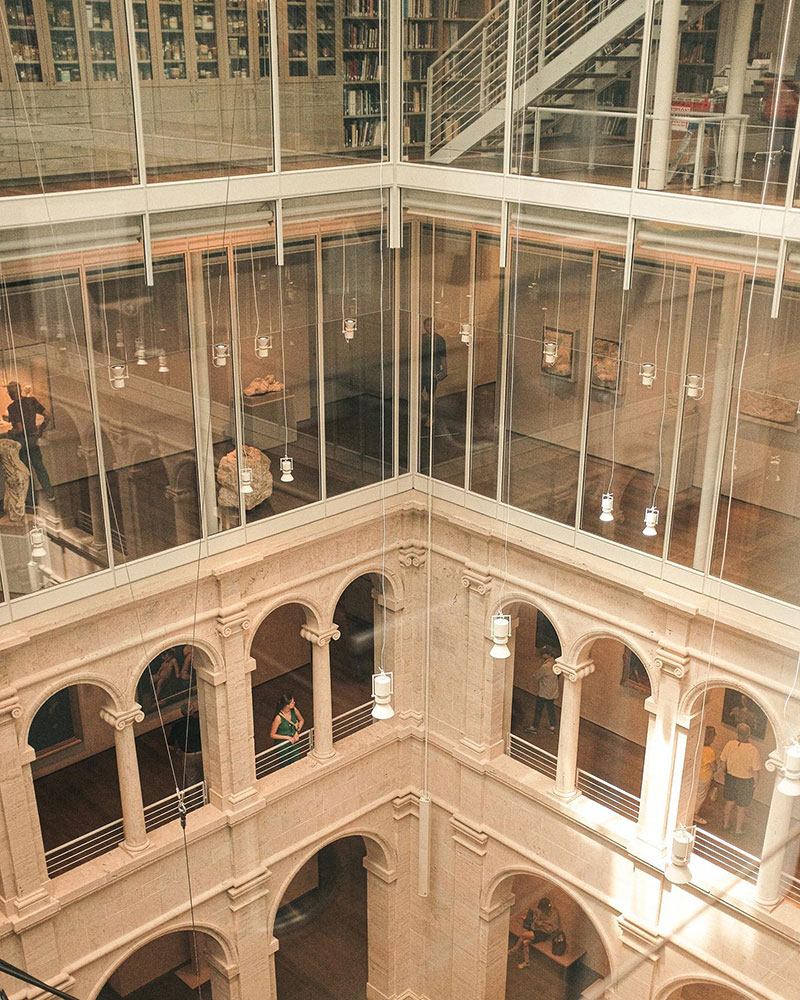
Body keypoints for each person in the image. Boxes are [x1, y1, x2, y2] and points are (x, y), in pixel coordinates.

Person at [4, 382, 55, 506]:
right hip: (33, 439)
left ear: (10, 393)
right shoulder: (31, 401)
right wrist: (40, 430)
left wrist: (10, 433)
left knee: (25, 471)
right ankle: (50, 494)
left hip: (22, 442)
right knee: (39, 467)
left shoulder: (12, 407)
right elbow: (47, 415)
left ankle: (31, 500)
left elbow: (19, 429)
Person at [720, 723, 761, 836]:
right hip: (746, 781)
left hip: (731, 778)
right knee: (741, 807)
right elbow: (756, 771)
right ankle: (738, 830)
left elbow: (723, 763)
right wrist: (756, 783)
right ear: (749, 734)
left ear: (737, 733)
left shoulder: (729, 744)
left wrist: (725, 773)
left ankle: (725, 824)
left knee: (729, 802)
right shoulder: (753, 750)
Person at [508, 897, 562, 969]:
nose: (542, 911)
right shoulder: (544, 911)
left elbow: (553, 928)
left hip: (545, 933)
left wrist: (542, 924)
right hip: (538, 929)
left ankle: (514, 949)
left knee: (524, 935)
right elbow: (538, 919)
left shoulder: (554, 914)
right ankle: (527, 962)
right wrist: (534, 920)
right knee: (525, 942)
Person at [167, 699, 203, 787]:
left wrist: (178, 750)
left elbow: (170, 744)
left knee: (191, 780)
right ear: (192, 712)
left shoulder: (177, 726)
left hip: (187, 755)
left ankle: (194, 796)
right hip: (201, 753)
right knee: (207, 776)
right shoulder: (199, 722)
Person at [420, 317, 447, 429]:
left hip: (432, 370)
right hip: (421, 370)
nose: (429, 327)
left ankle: (431, 416)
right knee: (418, 392)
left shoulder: (439, 340)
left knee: (431, 394)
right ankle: (423, 412)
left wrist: (444, 370)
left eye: (431, 325)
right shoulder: (421, 338)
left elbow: (443, 356)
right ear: (424, 326)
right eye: (427, 325)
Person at [525, 653, 559, 735]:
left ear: (547, 654)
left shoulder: (545, 666)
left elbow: (537, 676)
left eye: (543, 654)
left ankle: (534, 727)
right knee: (550, 708)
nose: (542, 655)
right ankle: (552, 726)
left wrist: (534, 675)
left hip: (544, 692)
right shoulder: (555, 663)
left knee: (538, 709)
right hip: (552, 691)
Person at [270, 694, 305, 767]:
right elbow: (272, 734)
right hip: (283, 745)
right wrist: (287, 738)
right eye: (292, 702)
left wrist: (297, 732)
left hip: (293, 742)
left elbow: (301, 720)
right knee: (285, 763)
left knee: (296, 759)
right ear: (287, 705)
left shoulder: (294, 710)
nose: (294, 703)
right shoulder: (278, 718)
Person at [693, 725, 717, 826]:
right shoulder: (709, 751)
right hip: (704, 777)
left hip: (695, 774)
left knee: (694, 794)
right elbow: (714, 767)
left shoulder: (697, 745)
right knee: (700, 797)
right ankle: (694, 814)